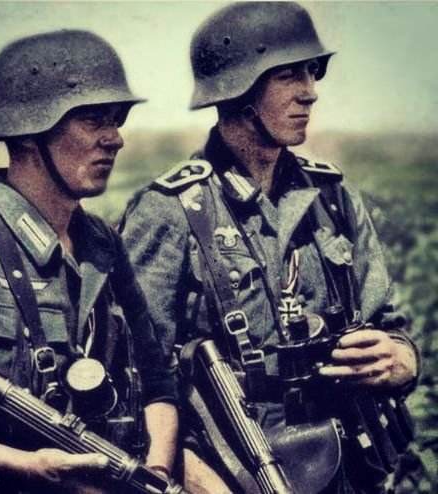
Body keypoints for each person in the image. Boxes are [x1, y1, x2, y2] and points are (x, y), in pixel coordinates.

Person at [120, 2, 419, 493]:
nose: (310, 91)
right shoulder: (169, 211)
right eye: (288, 75)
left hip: (349, 464)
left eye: (312, 72)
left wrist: (400, 359)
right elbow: (138, 382)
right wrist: (193, 478)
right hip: (234, 469)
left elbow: (389, 325)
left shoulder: (333, 197)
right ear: (238, 92)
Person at [0, 30, 178, 493]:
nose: (115, 138)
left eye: (116, 120)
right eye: (93, 119)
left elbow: (157, 380)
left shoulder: (102, 244)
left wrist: (155, 477)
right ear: (28, 134)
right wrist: (24, 465)